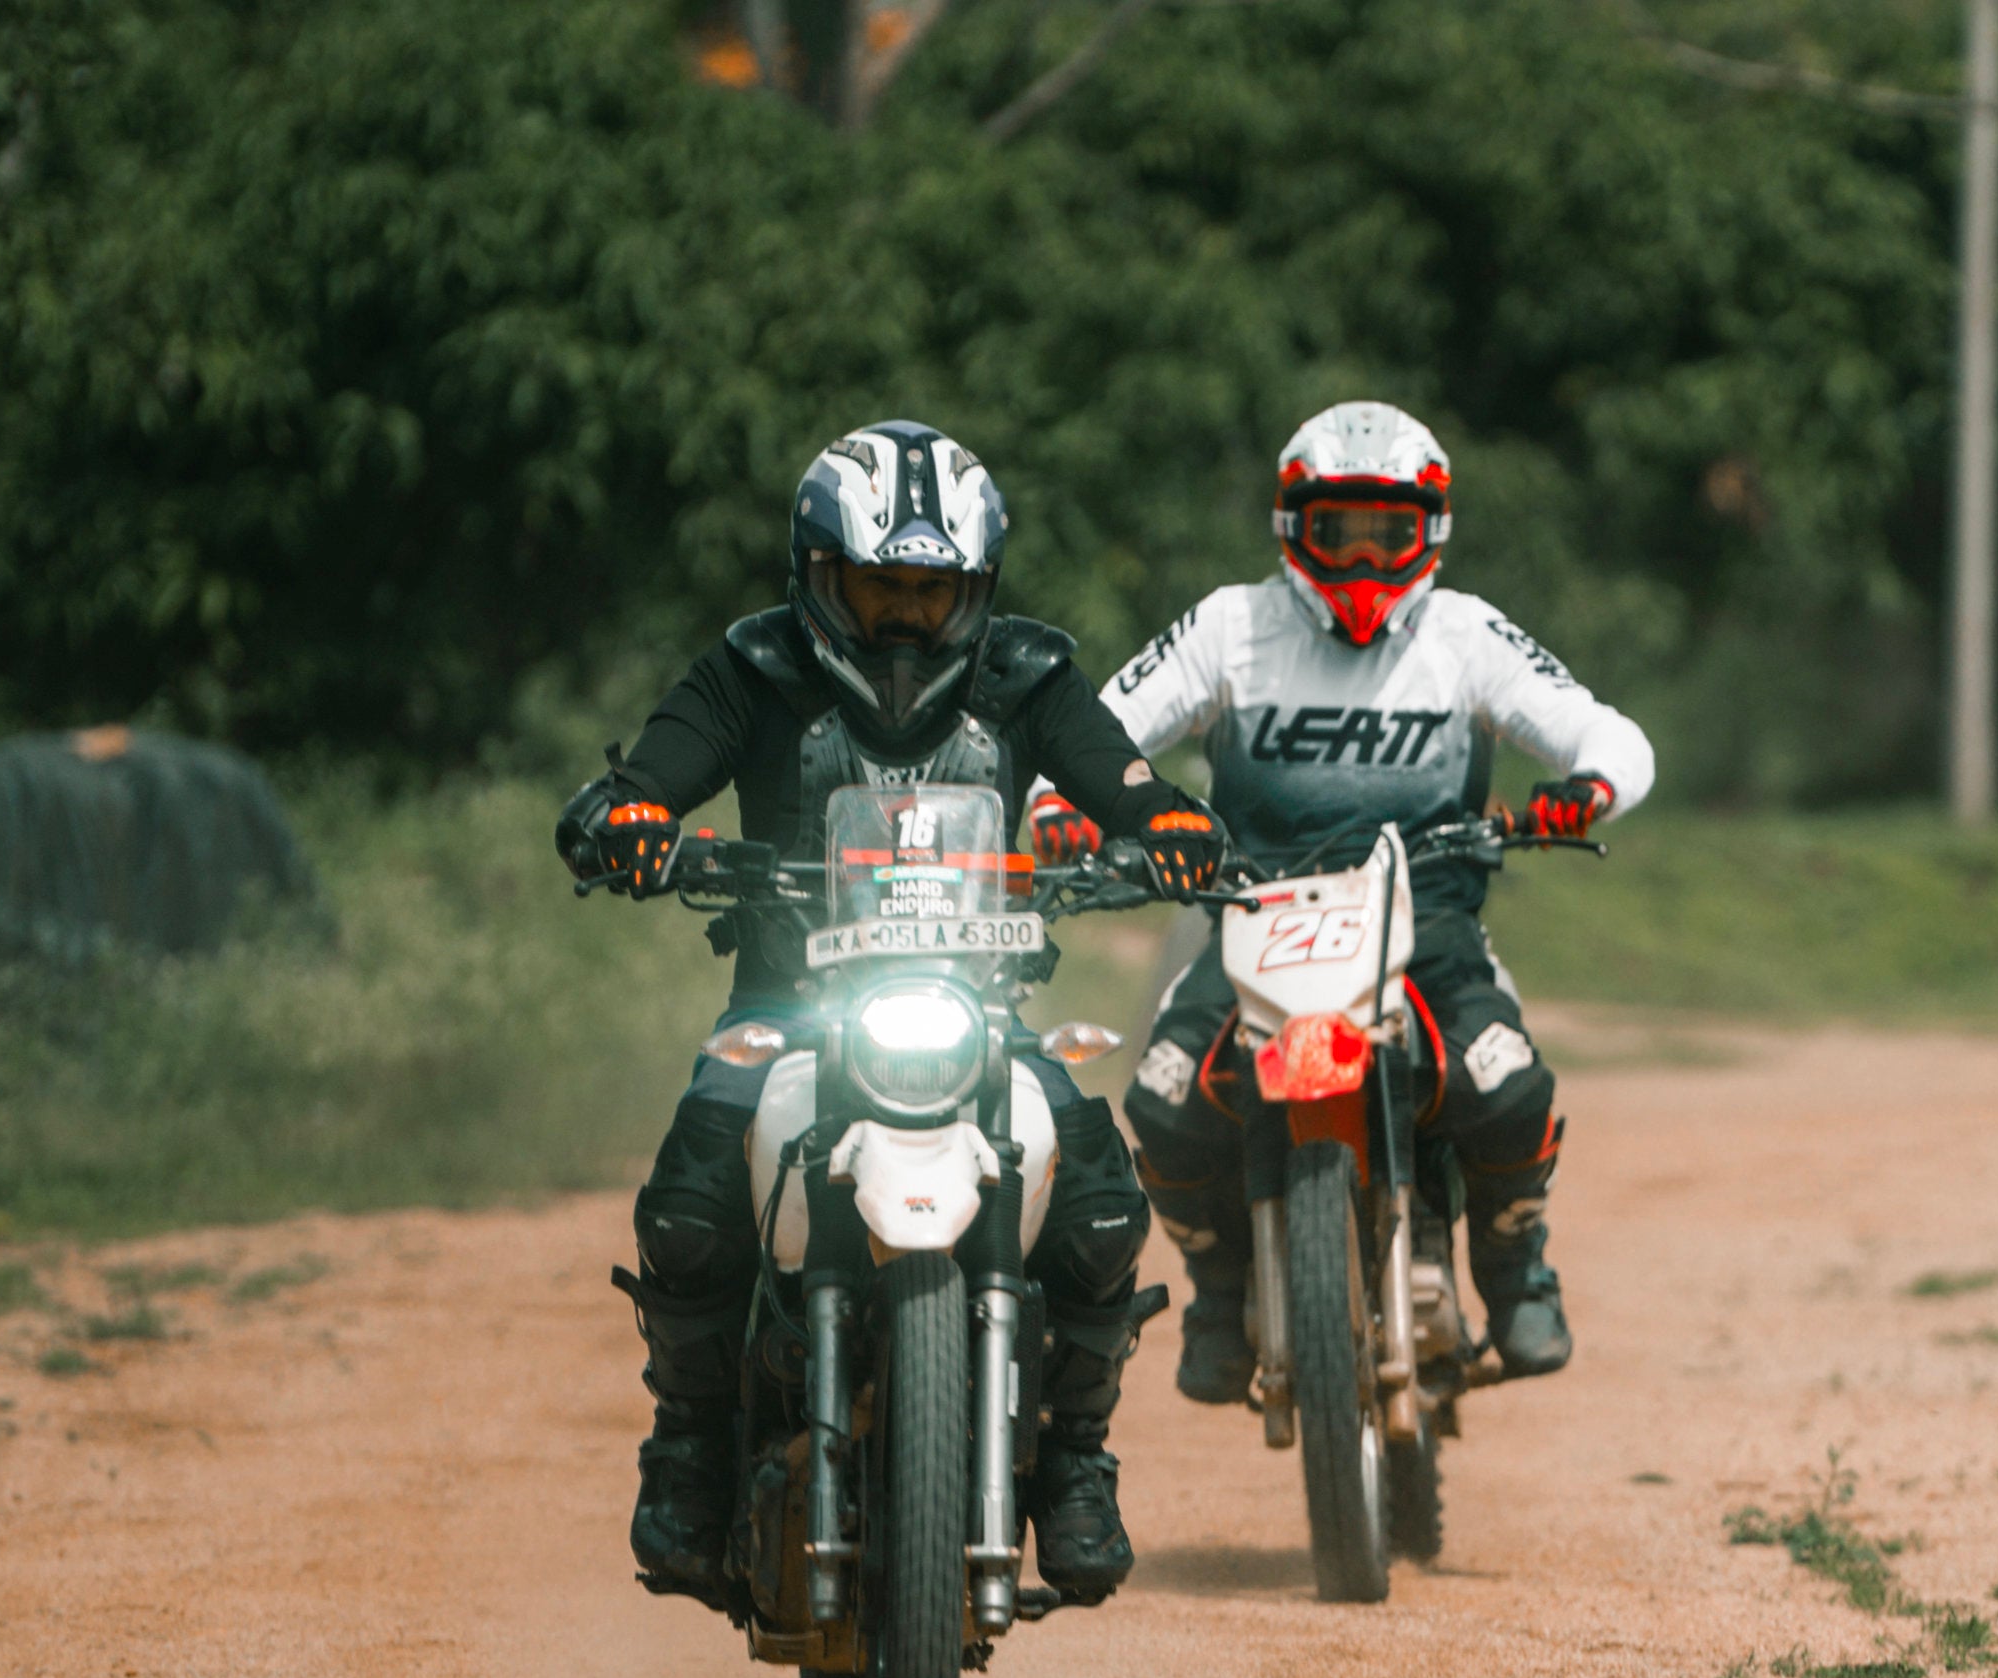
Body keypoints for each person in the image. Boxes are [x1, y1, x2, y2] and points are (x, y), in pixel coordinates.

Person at [556, 419, 1226, 1608]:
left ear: (977, 588)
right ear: (819, 576)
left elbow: (1124, 780)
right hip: (786, 1010)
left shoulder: (1029, 676)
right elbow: (647, 778)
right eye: (880, 589)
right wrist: (631, 818)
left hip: (981, 1009)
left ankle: (1076, 1458)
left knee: (1102, 1203)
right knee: (689, 1203)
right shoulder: (753, 670)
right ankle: (689, 1450)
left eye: (932, 592)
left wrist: (1166, 824)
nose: (907, 620)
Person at [1028, 401, 1652, 1401]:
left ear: (1431, 530)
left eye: (1388, 532)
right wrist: (1059, 801)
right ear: (1293, 525)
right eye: (1339, 530)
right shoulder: (1231, 625)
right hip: (1254, 916)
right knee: (1163, 1101)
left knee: (1506, 1086)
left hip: (1425, 918)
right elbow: (1095, 731)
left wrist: (1591, 786)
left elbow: (1606, 732)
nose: (1364, 560)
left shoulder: (1465, 633)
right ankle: (1219, 1291)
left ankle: (1514, 1271)